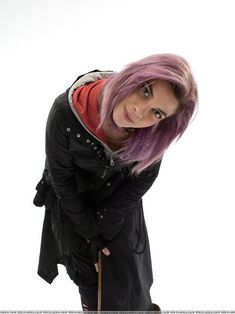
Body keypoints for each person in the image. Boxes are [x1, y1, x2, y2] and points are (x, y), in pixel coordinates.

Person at [33, 53, 198, 311]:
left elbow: (145, 176)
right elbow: (61, 181)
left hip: (116, 199)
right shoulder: (65, 112)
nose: (139, 111)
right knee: (88, 272)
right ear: (134, 77)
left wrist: (107, 222)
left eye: (156, 112)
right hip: (72, 201)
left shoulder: (154, 133)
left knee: (128, 271)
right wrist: (91, 235)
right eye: (145, 91)